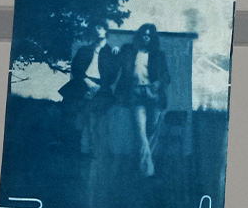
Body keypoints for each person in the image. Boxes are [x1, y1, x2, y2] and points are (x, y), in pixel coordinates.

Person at [114, 24, 170, 178]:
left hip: (153, 94)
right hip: (135, 93)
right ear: (139, 35)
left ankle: (144, 170)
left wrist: (158, 83)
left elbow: (166, 76)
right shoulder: (129, 50)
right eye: (144, 34)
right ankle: (148, 172)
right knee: (141, 133)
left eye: (149, 35)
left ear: (153, 38)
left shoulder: (158, 55)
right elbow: (117, 63)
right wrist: (115, 50)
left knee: (151, 133)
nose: (146, 37)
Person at [59, 26, 120, 155]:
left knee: (94, 117)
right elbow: (76, 69)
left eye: (101, 28)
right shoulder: (84, 50)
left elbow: (111, 77)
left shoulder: (111, 53)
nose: (98, 31)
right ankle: (72, 147)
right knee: (72, 112)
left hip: (101, 88)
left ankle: (90, 150)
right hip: (82, 82)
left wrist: (97, 87)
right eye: (96, 28)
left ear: (106, 32)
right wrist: (87, 81)